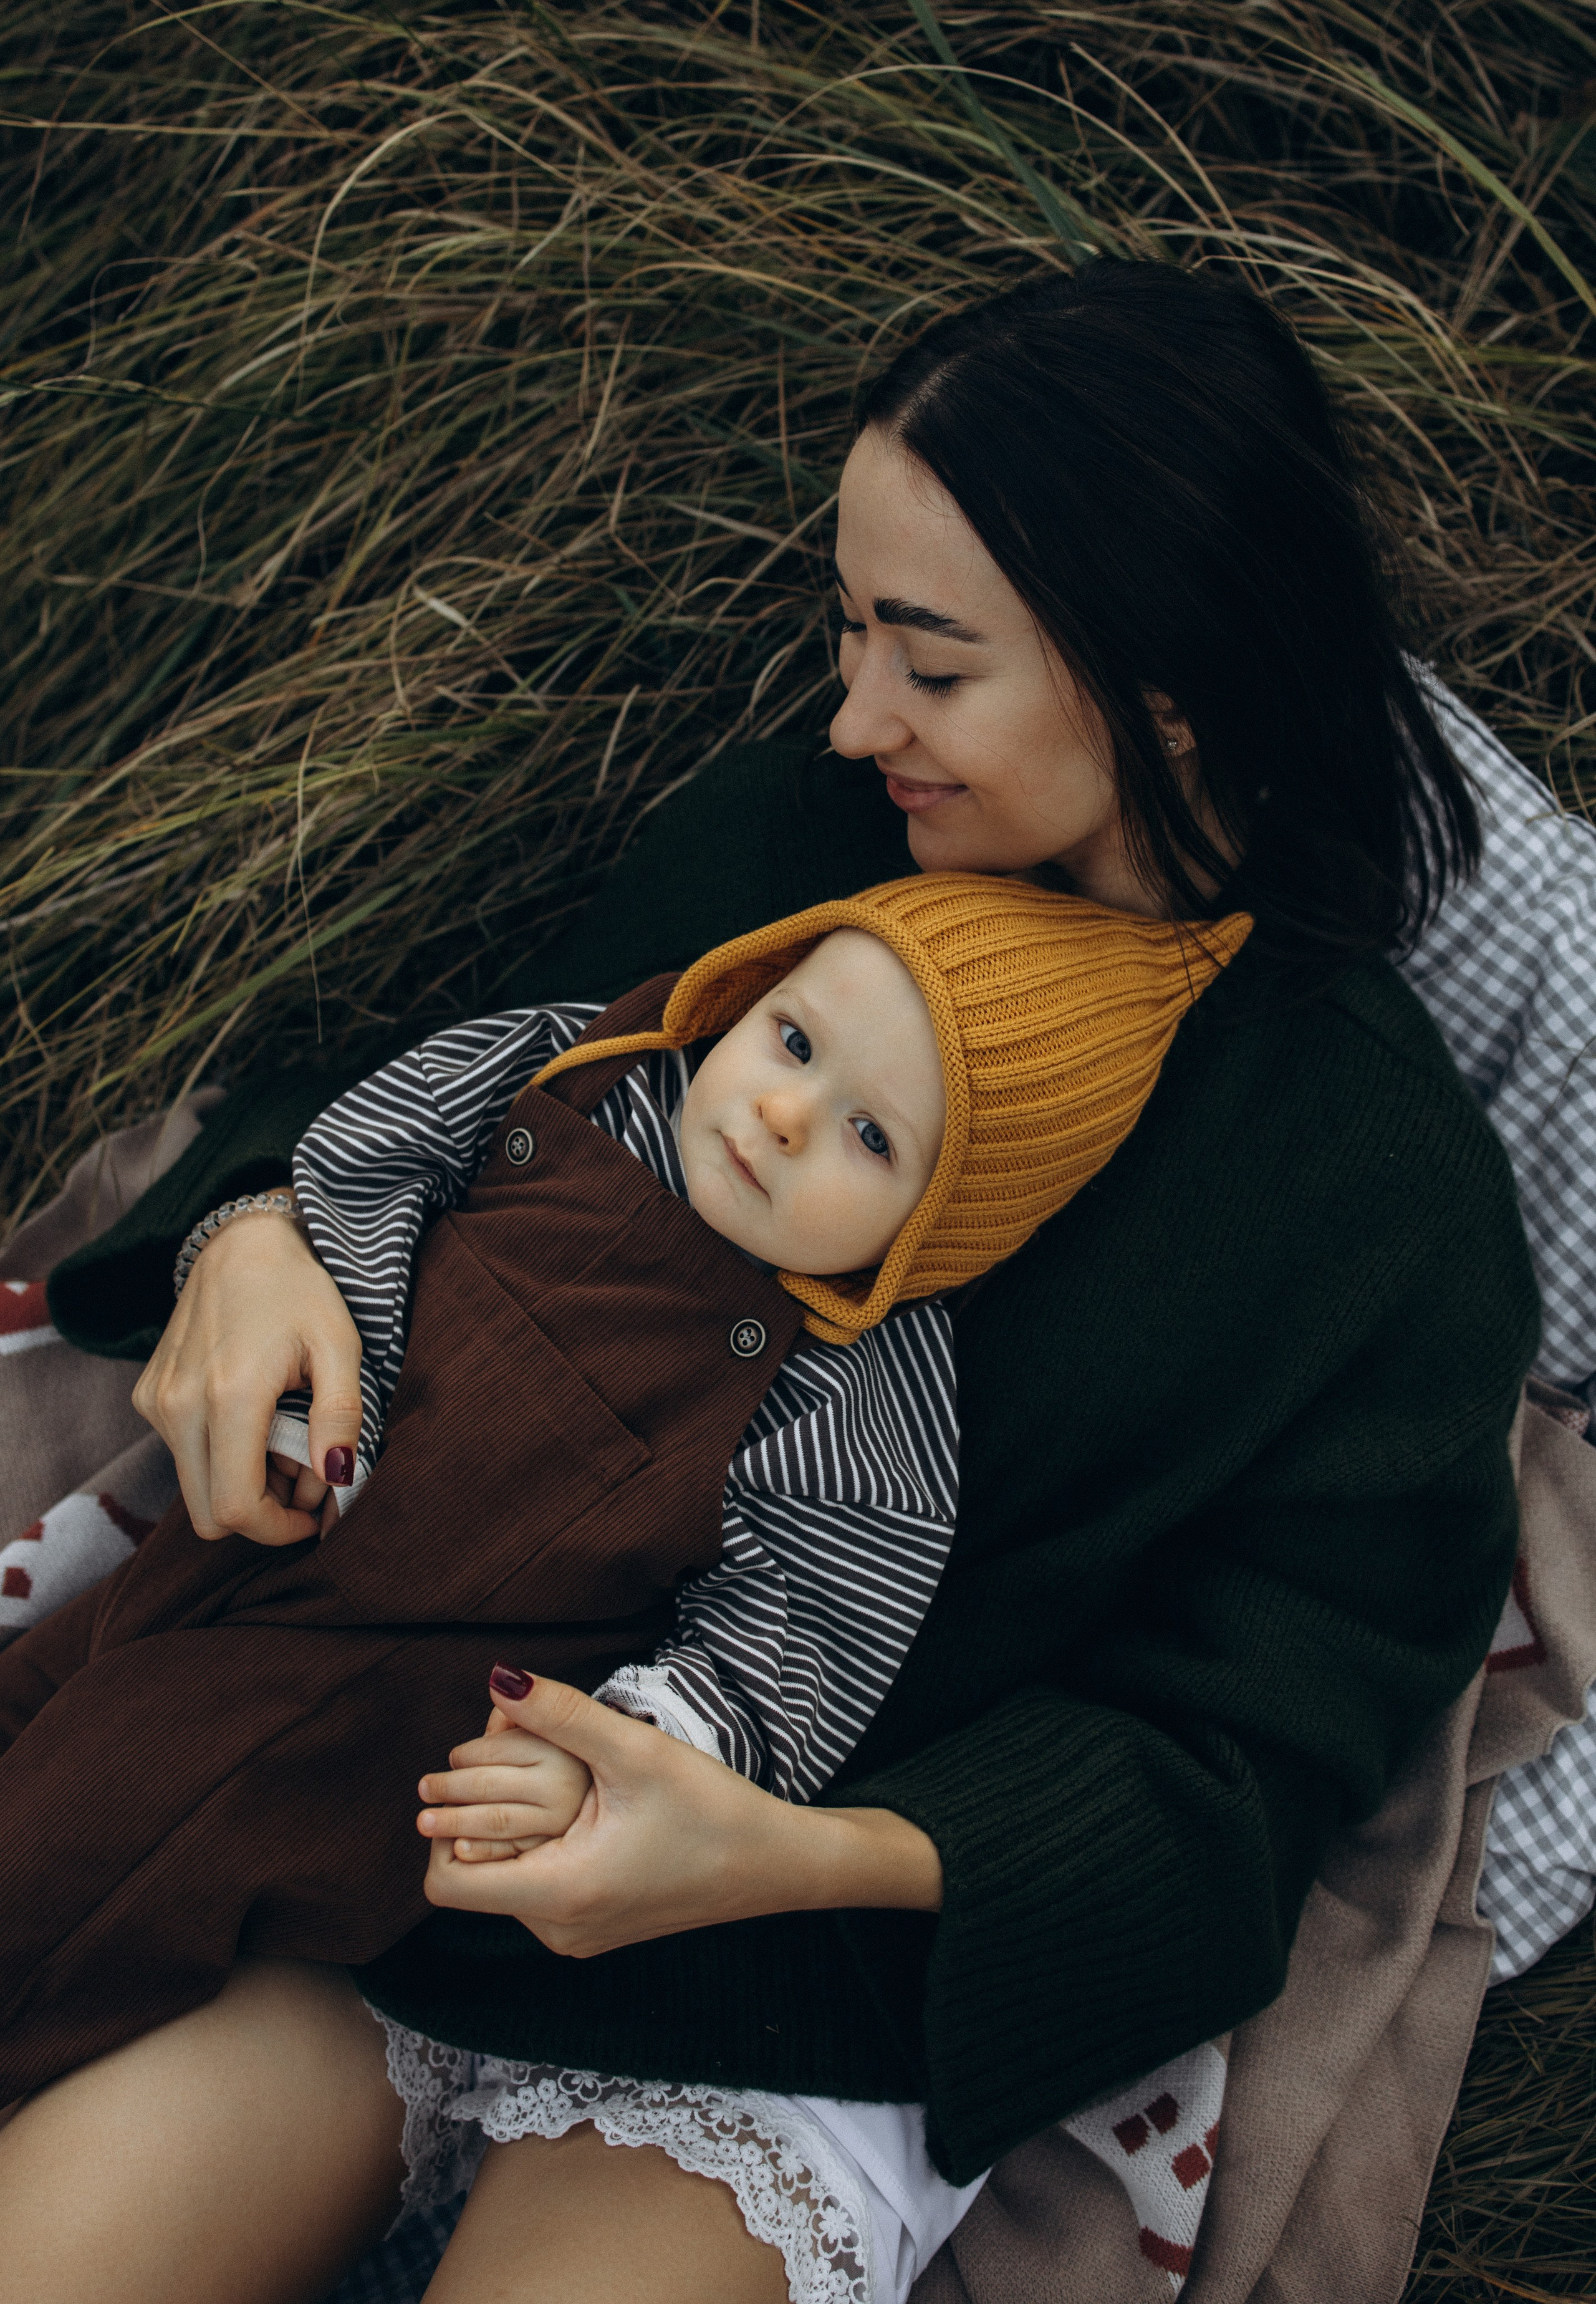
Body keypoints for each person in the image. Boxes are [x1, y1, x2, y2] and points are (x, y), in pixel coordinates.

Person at [0, 258, 1544, 2304]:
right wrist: (264, 1232)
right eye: (849, 625)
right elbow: (493, 1085)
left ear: (1168, 686)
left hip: (810, 1981)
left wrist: (775, 1850)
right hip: (403, 1819)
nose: (851, 712)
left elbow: (1236, 1788)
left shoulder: (1374, 1200)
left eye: (927, 657)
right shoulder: (804, 844)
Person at [0, 872, 1249, 2137]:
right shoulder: (584, 1065)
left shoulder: (854, 1402)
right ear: (751, 990)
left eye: (871, 1139)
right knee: (42, 1703)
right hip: (246, 1540)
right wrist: (331, 1398)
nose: (779, 1112)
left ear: (940, 1230)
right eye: (795, 1040)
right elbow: (374, 1162)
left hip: (374, 1716)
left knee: (73, 1868)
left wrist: (633, 1744)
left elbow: (799, 1638)